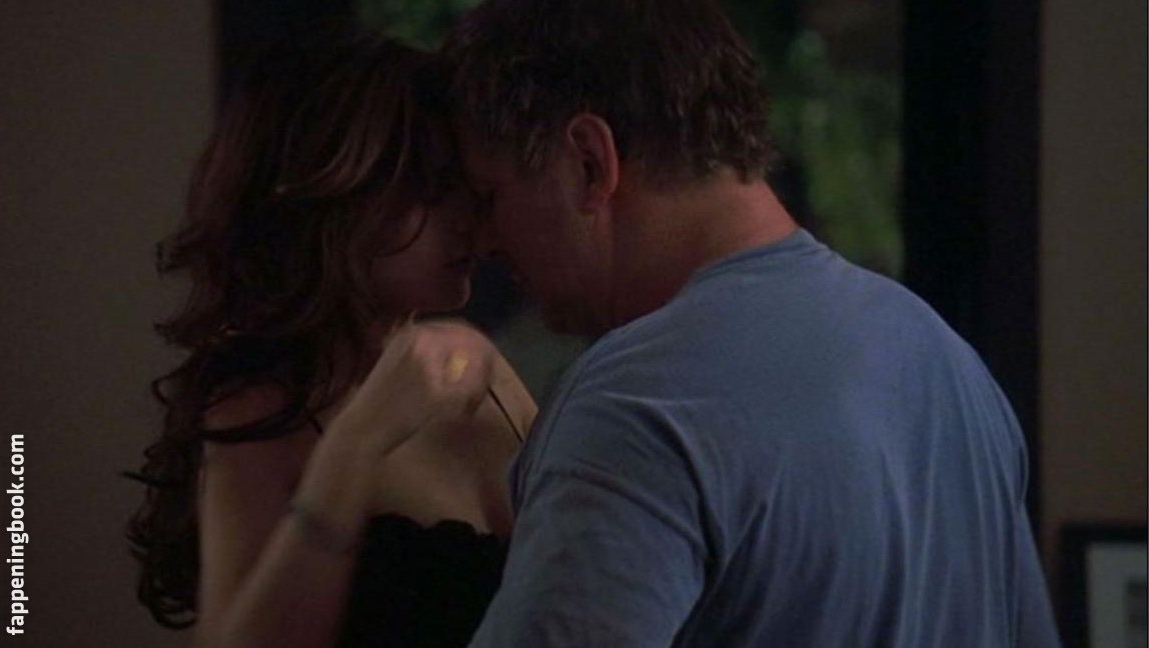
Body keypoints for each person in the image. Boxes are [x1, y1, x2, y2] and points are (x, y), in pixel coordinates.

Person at [360, 0, 1062, 644]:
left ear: (589, 162)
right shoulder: (947, 364)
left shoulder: (639, 403)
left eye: (491, 195)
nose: (485, 239)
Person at [124, 27, 536, 648]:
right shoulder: (257, 417)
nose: (466, 219)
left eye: (465, 186)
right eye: (428, 187)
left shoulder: (485, 372)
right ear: (331, 191)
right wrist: (357, 444)